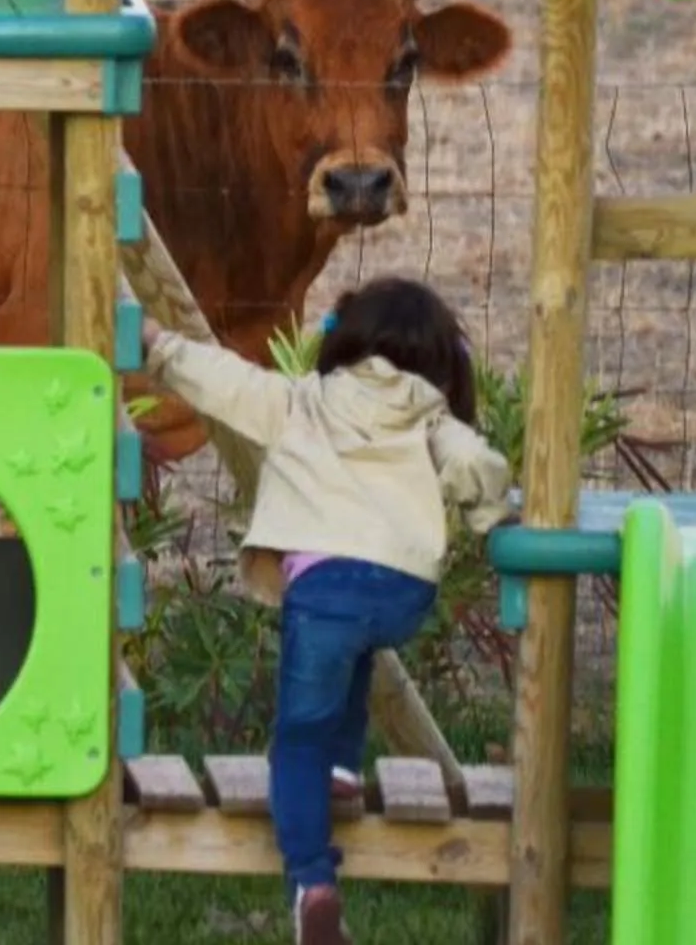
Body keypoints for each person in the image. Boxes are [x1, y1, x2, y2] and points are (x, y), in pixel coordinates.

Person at [142, 277, 514, 945]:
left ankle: (312, 882)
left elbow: (224, 381)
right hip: (401, 593)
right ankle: (342, 774)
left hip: (323, 590)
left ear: (343, 338)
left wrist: (157, 346)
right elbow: (477, 467)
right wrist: (495, 518)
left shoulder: (303, 402)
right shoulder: (434, 418)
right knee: (360, 654)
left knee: (299, 735)